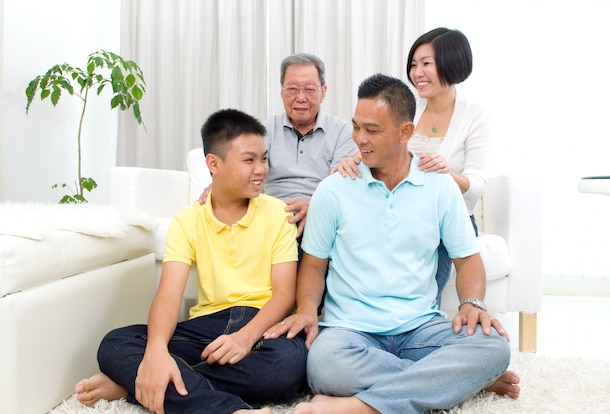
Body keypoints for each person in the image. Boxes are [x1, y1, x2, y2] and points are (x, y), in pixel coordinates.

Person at [264, 74, 511, 414]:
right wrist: (307, 309)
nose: (359, 140)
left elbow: (467, 259)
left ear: (405, 132)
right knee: (324, 365)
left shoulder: (439, 187)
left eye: (372, 130)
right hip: (350, 332)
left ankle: (357, 406)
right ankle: (455, 382)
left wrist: (471, 302)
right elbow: (314, 265)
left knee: (493, 348)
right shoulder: (334, 189)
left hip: (421, 328)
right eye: (356, 127)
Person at [74, 109, 308, 414]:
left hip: (262, 326)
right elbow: (169, 296)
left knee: (286, 367)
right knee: (114, 344)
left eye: (263, 159)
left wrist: (245, 338)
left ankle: (134, 385)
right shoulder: (187, 221)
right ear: (214, 164)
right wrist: (157, 351)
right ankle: (230, 410)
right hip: (207, 326)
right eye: (249, 160)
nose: (261, 169)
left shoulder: (278, 214)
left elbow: (283, 295)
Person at [334, 28, 520, 399]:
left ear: (451, 64)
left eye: (426, 64)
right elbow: (376, 148)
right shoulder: (407, 108)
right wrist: (351, 162)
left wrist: (448, 174)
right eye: (414, 64)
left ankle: (445, 372)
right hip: (396, 212)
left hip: (446, 218)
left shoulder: (474, 115)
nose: (417, 73)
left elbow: (479, 185)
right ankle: (463, 377)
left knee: (414, 322)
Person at [199, 53, 357, 239]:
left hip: (322, 216)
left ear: (323, 92)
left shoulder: (342, 132)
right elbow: (244, 171)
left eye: (309, 89)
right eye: (292, 89)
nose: (300, 97)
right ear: (281, 92)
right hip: (272, 216)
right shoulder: (264, 131)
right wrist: (219, 186)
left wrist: (313, 206)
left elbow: (341, 187)